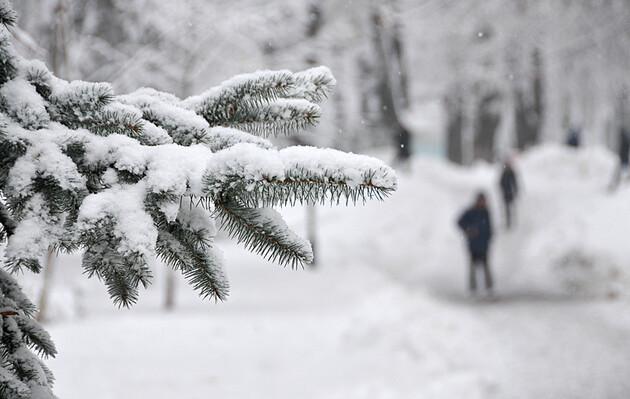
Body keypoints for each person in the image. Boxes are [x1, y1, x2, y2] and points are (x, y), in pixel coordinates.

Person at [457, 192, 493, 294]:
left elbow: (489, 228)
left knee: (486, 267)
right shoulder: (471, 212)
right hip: (473, 245)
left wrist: (489, 238)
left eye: (484, 200)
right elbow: (459, 222)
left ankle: (489, 287)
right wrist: (468, 230)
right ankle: (473, 288)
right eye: (481, 200)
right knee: (472, 267)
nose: (482, 202)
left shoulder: (486, 212)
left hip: (484, 245)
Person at [499, 159, 519, 228]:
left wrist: (515, 190)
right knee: (507, 207)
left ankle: (513, 219)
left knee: (510, 206)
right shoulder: (504, 172)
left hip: (510, 192)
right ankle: (509, 220)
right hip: (506, 192)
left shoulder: (510, 172)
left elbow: (514, 182)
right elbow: (501, 182)